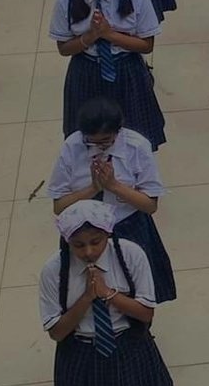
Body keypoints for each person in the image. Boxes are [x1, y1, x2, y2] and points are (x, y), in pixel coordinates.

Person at [40, 199, 171, 386]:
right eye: (78, 245)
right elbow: (57, 331)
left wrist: (108, 293)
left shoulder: (131, 255)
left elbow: (146, 312)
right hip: (82, 347)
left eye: (95, 242)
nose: (88, 251)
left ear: (108, 234)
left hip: (127, 340)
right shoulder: (53, 271)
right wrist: (87, 297)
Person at [49, 97, 176, 307]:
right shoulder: (72, 146)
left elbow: (150, 205)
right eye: (92, 141)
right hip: (83, 232)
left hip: (128, 227)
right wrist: (93, 189)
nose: (99, 147)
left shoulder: (137, 146)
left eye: (106, 141)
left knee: (136, 293)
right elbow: (59, 206)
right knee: (85, 293)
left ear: (119, 131)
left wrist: (114, 186)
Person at [52, 0, 164, 148]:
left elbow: (146, 45)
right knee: (87, 136)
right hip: (85, 70)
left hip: (126, 69)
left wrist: (108, 34)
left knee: (134, 133)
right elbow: (64, 48)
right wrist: (90, 36)